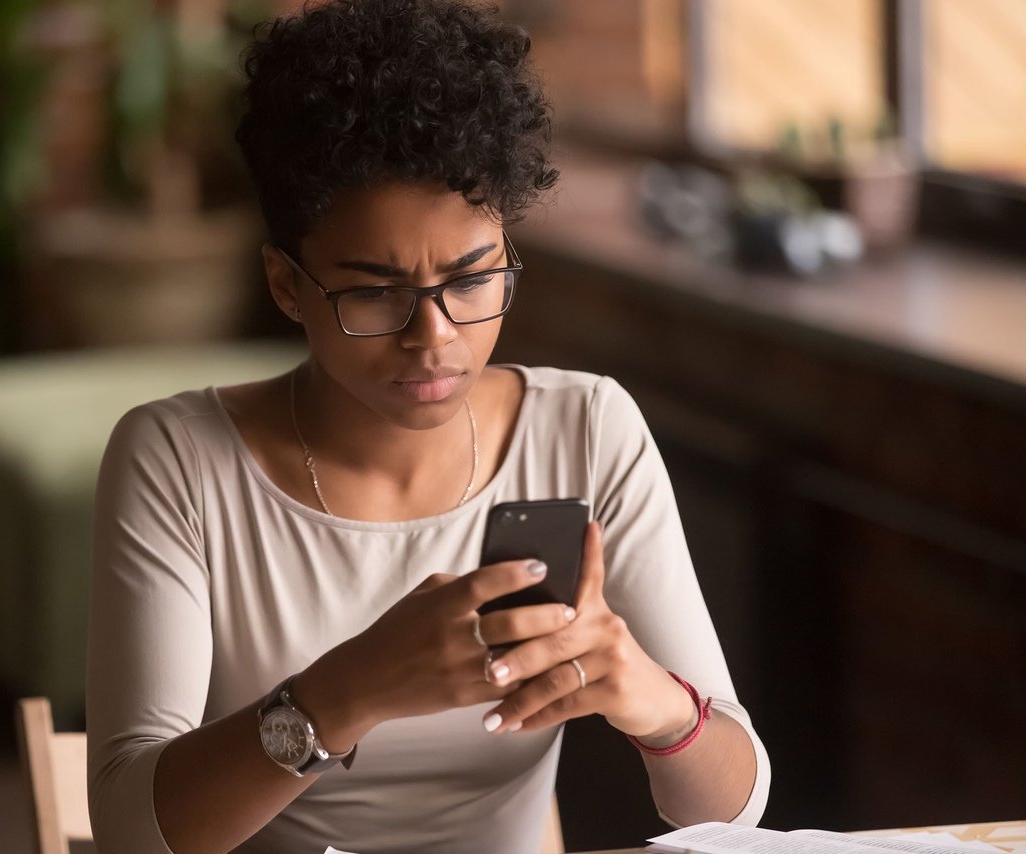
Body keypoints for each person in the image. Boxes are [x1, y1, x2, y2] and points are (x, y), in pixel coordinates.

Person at [85, 1, 770, 852]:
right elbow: (127, 834)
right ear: (286, 284)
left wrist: (647, 696)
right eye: (375, 292)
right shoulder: (180, 461)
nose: (435, 336)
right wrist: (347, 693)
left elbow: (733, 809)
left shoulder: (586, 429)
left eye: (472, 279)